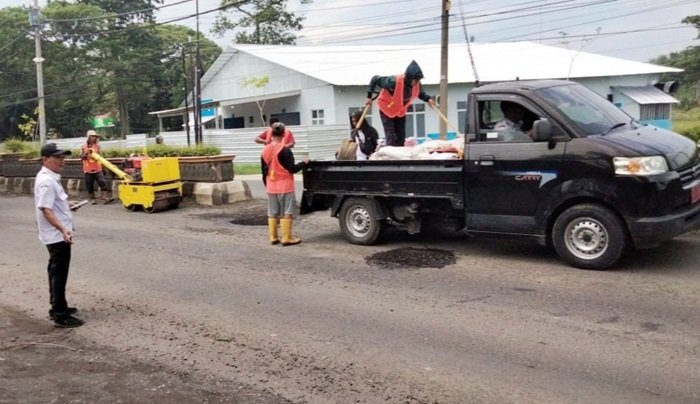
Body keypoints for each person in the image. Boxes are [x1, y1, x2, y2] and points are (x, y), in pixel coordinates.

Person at [34, 143, 84, 328]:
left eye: (63, 157)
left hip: (56, 234)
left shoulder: (50, 178)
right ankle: (60, 314)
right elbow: (46, 209)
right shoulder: (47, 181)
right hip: (56, 235)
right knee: (59, 274)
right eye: (57, 157)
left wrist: (67, 206)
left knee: (55, 271)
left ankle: (58, 306)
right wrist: (63, 229)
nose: (62, 161)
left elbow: (53, 204)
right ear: (45, 159)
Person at [365, 60, 436, 147]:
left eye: (418, 80)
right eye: (415, 80)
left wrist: (428, 99)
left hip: (400, 111)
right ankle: (391, 154)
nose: (416, 82)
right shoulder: (393, 81)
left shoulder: (416, 84)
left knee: (401, 138)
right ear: (409, 77)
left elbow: (420, 94)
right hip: (387, 108)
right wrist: (369, 96)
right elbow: (375, 79)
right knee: (391, 137)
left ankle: (399, 154)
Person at [261, 122, 309, 246]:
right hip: (285, 186)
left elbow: (263, 171)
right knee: (287, 211)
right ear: (283, 134)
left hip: (271, 186)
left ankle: (273, 237)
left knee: (272, 212)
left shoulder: (265, 150)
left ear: (271, 134)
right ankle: (286, 238)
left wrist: (267, 185)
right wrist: (303, 163)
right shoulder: (285, 150)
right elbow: (292, 169)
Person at [80, 130, 111, 204]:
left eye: (95, 137)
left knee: (102, 181)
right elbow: (81, 157)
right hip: (88, 169)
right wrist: (86, 154)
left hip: (98, 168)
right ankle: (92, 199)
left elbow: (100, 157)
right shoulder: (83, 146)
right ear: (89, 137)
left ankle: (104, 197)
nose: (94, 138)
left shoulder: (97, 146)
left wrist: (103, 168)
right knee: (89, 184)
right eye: (92, 136)